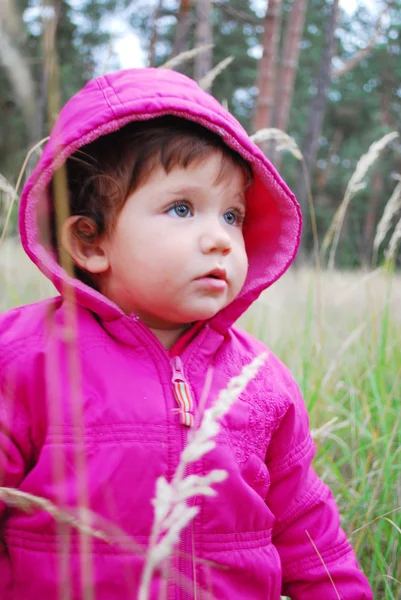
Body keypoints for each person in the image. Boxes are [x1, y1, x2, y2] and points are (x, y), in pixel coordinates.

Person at [0, 68, 372, 600]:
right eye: (182, 208)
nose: (220, 238)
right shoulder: (22, 359)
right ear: (90, 242)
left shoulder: (258, 381)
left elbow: (311, 534)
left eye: (233, 215)